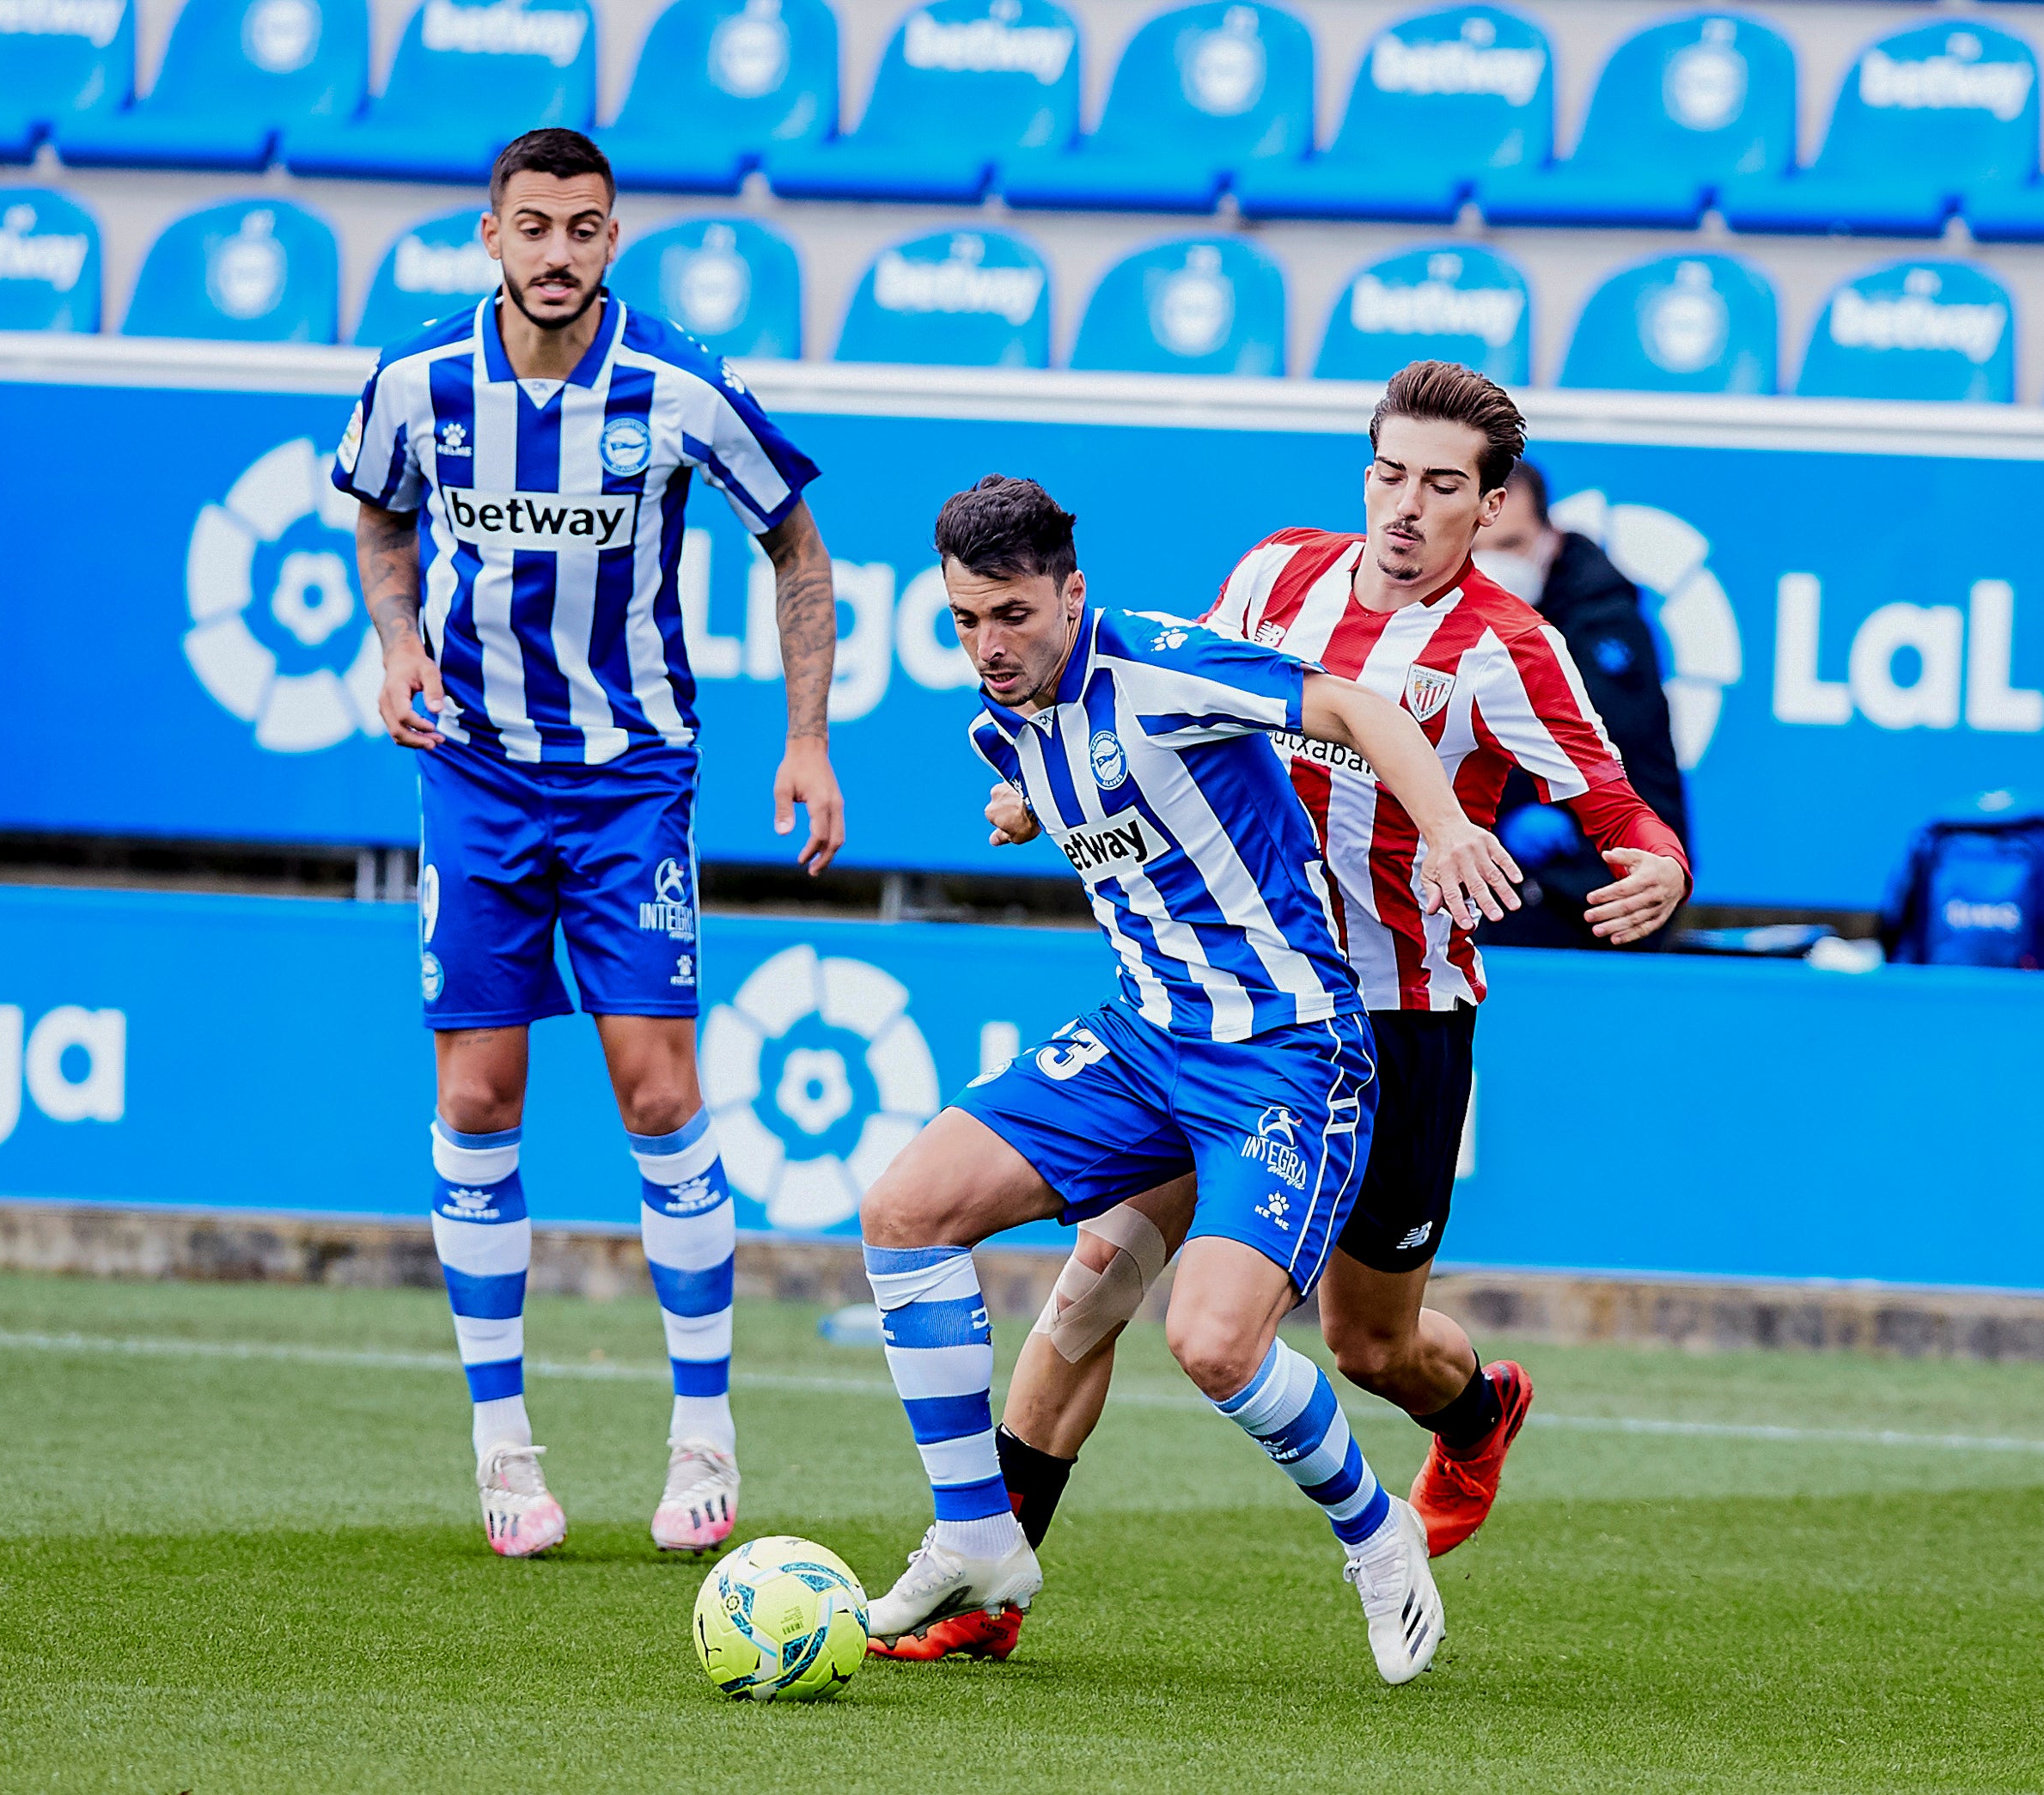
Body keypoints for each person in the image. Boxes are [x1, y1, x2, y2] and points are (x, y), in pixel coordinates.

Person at [878, 363, 1692, 1665]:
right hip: (1211, 1009)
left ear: (1489, 510)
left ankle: (1474, 1413)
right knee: (1093, 1286)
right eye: (1390, 474)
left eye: (1443, 486)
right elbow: (1152, 717)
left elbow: (1616, 801)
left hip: (1392, 1017)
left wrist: (1656, 861)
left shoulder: (1507, 650)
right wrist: (1044, 791)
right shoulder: (1273, 579)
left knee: (1370, 1347)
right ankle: (987, 1586)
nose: (1407, 507)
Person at [334, 129, 844, 1560]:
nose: (561, 252)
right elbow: (377, 516)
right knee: (482, 1092)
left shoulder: (676, 382)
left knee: (654, 1076)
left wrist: (805, 742)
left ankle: (706, 1434)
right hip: (477, 775)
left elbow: (796, 547)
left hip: (632, 780)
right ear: (490, 235)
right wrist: (395, 644)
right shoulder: (418, 384)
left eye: (588, 229)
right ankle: (504, 1449)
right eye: (537, 227)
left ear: (615, 240)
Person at [1471, 460, 1693, 949]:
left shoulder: (1604, 625)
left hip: (1598, 885)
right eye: (1475, 546)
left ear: (1550, 536)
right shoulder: (1447, 613)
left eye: (1509, 546)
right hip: (1505, 863)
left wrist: (1520, 812)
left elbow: (1599, 755)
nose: (1492, 566)